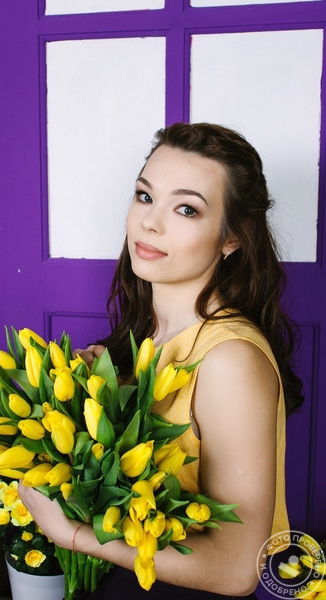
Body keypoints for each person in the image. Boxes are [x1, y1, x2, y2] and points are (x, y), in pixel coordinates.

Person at [18, 122, 303, 599]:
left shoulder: (228, 360)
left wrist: (73, 534)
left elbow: (238, 569)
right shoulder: (146, 335)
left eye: (186, 209)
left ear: (232, 237)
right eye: (145, 196)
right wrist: (96, 398)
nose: (150, 222)